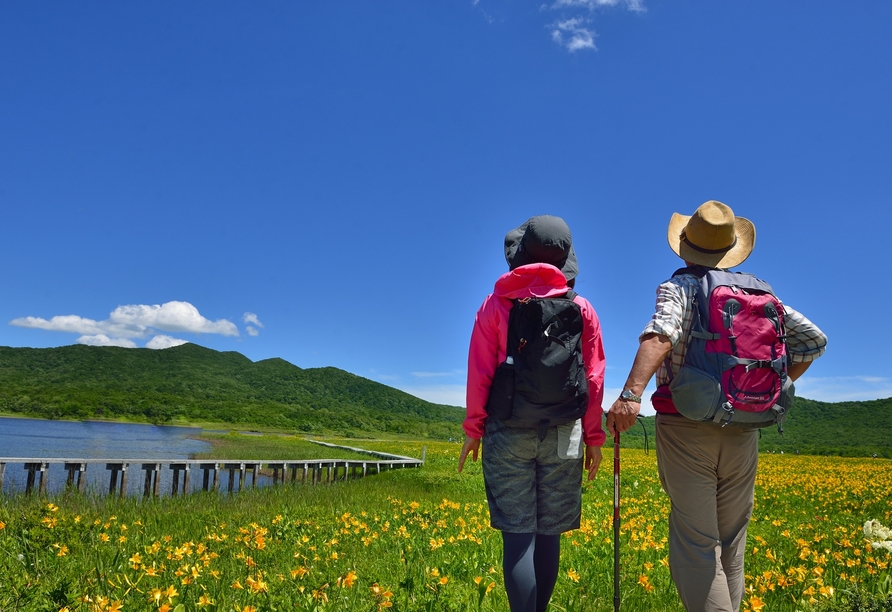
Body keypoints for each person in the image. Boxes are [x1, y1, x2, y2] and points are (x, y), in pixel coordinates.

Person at [606, 201, 827, 612]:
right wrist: (770, 386)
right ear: (729, 249)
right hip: (744, 428)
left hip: (687, 427)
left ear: (686, 245)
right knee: (732, 545)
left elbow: (661, 335)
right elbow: (815, 340)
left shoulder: (681, 287)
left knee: (696, 544)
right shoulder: (761, 294)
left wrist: (630, 396)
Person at [458, 215, 606, 612]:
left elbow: (480, 374)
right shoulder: (583, 308)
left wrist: (474, 431)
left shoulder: (494, 305)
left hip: (508, 430)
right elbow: (593, 379)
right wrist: (593, 438)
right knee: (549, 536)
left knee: (518, 538)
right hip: (564, 432)